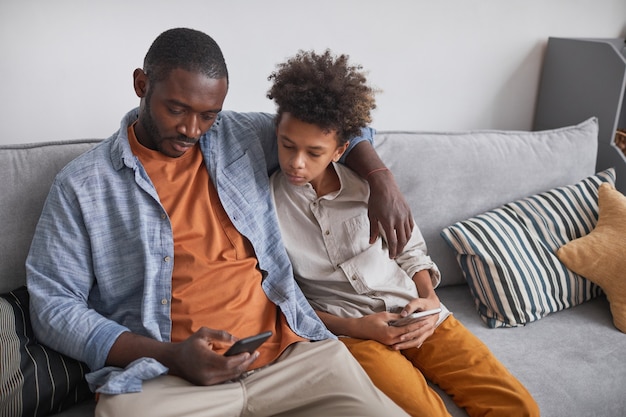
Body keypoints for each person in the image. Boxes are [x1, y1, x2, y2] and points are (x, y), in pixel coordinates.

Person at [25, 28, 413, 417]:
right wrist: (171, 356)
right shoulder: (82, 185)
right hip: (166, 377)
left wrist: (381, 179)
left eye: (208, 115)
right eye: (176, 109)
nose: (192, 130)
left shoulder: (241, 135)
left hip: (292, 359)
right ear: (141, 84)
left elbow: (340, 126)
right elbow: (53, 306)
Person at [268, 50, 540, 417]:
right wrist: (358, 327)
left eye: (314, 152)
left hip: (418, 313)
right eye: (287, 145)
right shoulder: (264, 204)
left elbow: (411, 252)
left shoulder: (368, 189)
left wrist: (429, 299)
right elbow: (283, 297)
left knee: (517, 406)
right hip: (353, 336)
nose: (296, 162)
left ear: (340, 149)